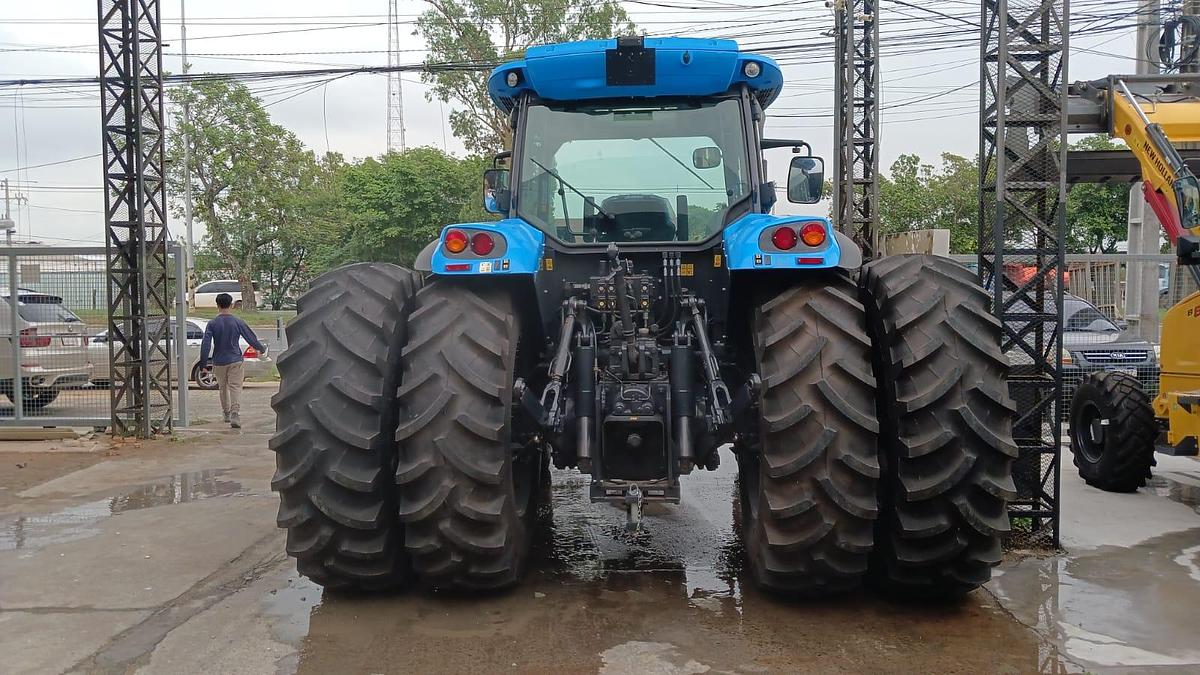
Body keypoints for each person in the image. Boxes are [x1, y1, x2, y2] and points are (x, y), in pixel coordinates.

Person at [199, 292, 267, 429]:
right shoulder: (238, 321)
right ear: (231, 305)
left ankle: (226, 413)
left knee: (223, 387)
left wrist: (203, 363)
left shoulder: (212, 323)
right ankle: (235, 412)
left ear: (217, 305)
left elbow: (205, 343)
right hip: (235, 359)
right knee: (235, 387)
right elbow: (250, 337)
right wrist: (261, 348)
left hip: (219, 361)